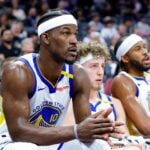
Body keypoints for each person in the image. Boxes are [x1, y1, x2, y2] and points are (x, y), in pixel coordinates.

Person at [1, 9, 118, 150]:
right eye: (66, 33)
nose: (75, 41)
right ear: (46, 38)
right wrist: (76, 130)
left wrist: (98, 129)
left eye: (75, 34)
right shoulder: (19, 71)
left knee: (99, 146)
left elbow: (84, 131)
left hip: (51, 142)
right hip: (11, 142)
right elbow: (18, 132)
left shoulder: (78, 74)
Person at [64, 42, 142, 149]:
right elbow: (70, 142)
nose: (100, 72)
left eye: (102, 66)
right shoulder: (68, 103)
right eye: (94, 66)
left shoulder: (115, 103)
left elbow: (124, 138)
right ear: (78, 69)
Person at [111, 34, 150, 136]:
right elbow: (145, 127)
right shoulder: (122, 81)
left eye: (144, 47)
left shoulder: (148, 77)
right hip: (140, 143)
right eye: (138, 49)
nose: (145, 52)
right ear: (125, 58)